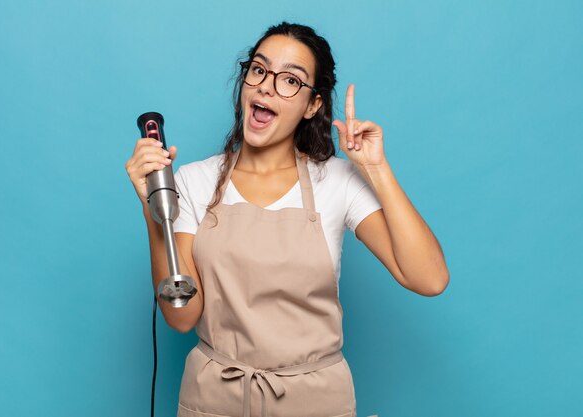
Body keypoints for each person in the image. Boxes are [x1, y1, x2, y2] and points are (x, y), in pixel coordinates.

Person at [125, 21, 449, 417]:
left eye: (290, 80)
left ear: (313, 104)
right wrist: (153, 211)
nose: (265, 86)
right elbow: (182, 315)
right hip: (213, 398)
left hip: (316, 401)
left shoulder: (336, 182)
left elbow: (429, 279)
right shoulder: (194, 181)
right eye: (259, 70)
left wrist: (377, 170)